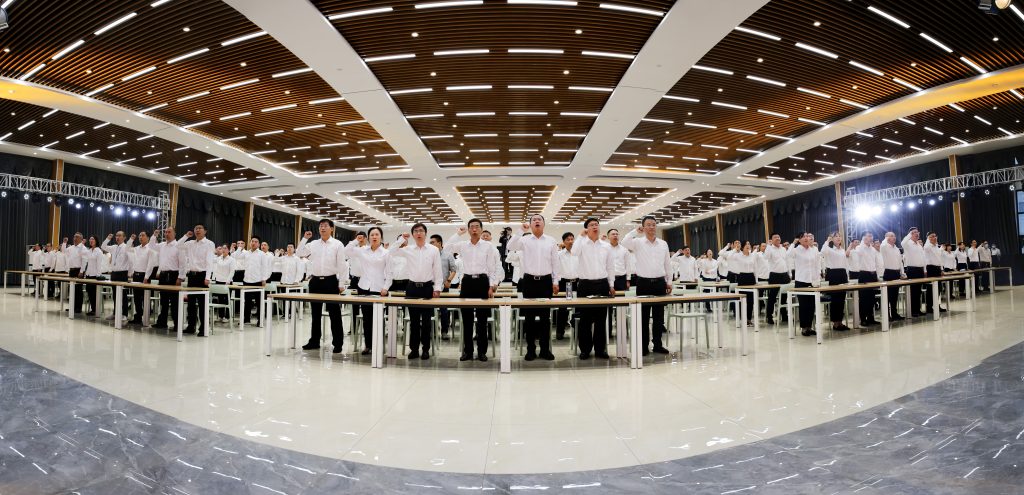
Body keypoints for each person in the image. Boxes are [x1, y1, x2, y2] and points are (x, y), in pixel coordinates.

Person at [446, 220, 503, 362]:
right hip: (467, 282)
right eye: (471, 227)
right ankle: (468, 351)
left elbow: (493, 267)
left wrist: (492, 285)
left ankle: (482, 351)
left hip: (483, 282)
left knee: (482, 320)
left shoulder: (488, 246)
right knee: (467, 320)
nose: (474, 229)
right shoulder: (463, 245)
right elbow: (447, 248)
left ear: (481, 229)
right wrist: (458, 234)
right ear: (468, 230)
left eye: (477, 227)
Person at [507, 214, 560, 361]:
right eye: (534, 220)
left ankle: (545, 350)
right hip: (529, 281)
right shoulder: (524, 240)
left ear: (544, 224)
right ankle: (530, 350)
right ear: (530, 224)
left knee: (545, 318)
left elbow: (555, 262)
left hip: (546, 282)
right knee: (529, 318)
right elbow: (510, 246)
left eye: (539, 219)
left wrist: (556, 281)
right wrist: (520, 231)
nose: (537, 221)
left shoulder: (551, 240)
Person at [388, 223, 443, 360]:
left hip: (427, 288)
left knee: (426, 322)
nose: (419, 233)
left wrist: (437, 288)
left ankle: (425, 349)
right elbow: (391, 251)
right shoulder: (407, 249)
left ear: (425, 233)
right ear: (412, 235)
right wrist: (401, 239)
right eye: (416, 231)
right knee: (414, 321)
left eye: (421, 231)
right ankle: (414, 349)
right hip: (412, 288)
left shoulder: (433, 250)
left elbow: (438, 270)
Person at [297, 219, 349, 353]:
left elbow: (342, 265)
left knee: (334, 314)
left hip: (330, 281)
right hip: (315, 281)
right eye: (320, 226)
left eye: (325, 226)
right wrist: (304, 238)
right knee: (315, 314)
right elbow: (299, 253)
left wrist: (341, 283)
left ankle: (338, 343)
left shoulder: (337, 244)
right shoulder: (313, 244)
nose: (323, 228)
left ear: (331, 229)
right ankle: (314, 341)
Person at [573, 218, 616, 360]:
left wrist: (611, 285)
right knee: (585, 319)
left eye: (596, 224)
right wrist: (580, 236)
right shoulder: (581, 243)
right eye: (591, 225)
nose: (595, 226)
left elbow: (610, 267)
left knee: (601, 319)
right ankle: (585, 349)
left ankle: (600, 349)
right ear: (587, 228)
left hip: (602, 284)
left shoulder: (606, 246)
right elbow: (574, 252)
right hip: (585, 285)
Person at [346, 226, 391, 356]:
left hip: (380, 289)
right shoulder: (362, 250)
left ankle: (378, 345)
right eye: (372, 235)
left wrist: (386, 287)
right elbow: (346, 251)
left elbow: (390, 273)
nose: (374, 237)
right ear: (368, 237)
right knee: (366, 318)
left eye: (377, 234)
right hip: (364, 287)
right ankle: (368, 345)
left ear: (381, 237)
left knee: (378, 319)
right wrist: (356, 240)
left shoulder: (386, 253)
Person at [177, 225, 215, 336]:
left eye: (200, 228)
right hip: (192, 276)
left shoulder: (209, 243)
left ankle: (203, 328)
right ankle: (191, 326)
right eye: (196, 228)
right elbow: (178, 245)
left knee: (202, 304)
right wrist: (186, 236)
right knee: (191, 303)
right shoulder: (190, 243)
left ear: (205, 231)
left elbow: (209, 261)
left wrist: (207, 277)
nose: (197, 230)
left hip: (202, 276)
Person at [232, 236, 272, 326]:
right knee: (247, 301)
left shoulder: (262, 254)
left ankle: (260, 320)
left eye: (256, 242)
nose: (253, 243)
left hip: (258, 280)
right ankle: (246, 319)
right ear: (250, 243)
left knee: (259, 302)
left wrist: (264, 279)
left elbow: (265, 267)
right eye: (252, 241)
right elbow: (235, 256)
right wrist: (239, 248)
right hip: (247, 280)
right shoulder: (246, 253)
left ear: (258, 244)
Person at [791, 233, 821, 336]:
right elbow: (788, 255)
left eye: (806, 236)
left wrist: (817, 279)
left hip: (812, 281)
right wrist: (793, 243)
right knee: (804, 305)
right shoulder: (796, 250)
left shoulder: (813, 250)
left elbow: (817, 264)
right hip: (801, 281)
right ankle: (804, 328)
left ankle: (809, 327)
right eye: (803, 237)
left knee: (811, 305)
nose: (806, 238)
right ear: (799, 240)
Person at [101, 231, 135, 320]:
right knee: (115, 295)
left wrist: (129, 273)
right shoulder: (114, 247)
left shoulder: (126, 247)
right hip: (114, 274)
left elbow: (131, 261)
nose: (117, 237)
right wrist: (108, 238)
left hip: (123, 273)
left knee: (123, 295)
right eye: (116, 236)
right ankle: (115, 313)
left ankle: (124, 314)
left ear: (124, 237)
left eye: (119, 235)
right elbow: (103, 246)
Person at [820, 233, 851, 331]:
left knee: (841, 299)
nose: (838, 238)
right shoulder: (829, 249)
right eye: (836, 236)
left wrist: (847, 276)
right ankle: (835, 323)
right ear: (832, 239)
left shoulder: (842, 250)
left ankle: (840, 322)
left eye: (839, 236)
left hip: (842, 274)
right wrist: (827, 241)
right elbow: (822, 252)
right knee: (835, 299)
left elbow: (845, 264)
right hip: (833, 274)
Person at [555, 232, 579, 340]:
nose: (570, 241)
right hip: (566, 283)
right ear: (563, 241)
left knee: (578, 307)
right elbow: (556, 270)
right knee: (563, 308)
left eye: (572, 239)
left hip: (577, 282)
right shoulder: (559, 254)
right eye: (568, 239)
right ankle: (560, 331)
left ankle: (577, 330)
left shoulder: (578, 253)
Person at [763, 234, 790, 325]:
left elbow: (786, 261)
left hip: (784, 275)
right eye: (775, 237)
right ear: (771, 240)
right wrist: (768, 246)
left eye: (778, 237)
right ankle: (769, 316)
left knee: (784, 296)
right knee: (772, 297)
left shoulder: (783, 249)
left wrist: (789, 273)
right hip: (774, 275)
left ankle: (784, 315)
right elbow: (765, 257)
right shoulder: (770, 249)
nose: (778, 238)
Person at [854, 233, 880, 326]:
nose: (870, 237)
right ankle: (863, 319)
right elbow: (859, 252)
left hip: (873, 275)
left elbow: (875, 263)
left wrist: (877, 275)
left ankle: (870, 317)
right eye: (868, 236)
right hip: (864, 274)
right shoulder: (859, 247)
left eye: (871, 236)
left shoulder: (873, 249)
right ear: (863, 237)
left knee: (872, 298)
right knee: (863, 298)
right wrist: (863, 242)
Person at [900, 228, 927, 318]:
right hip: (912, 270)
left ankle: (918, 309)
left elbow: (923, 258)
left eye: (917, 232)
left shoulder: (919, 245)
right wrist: (909, 235)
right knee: (913, 292)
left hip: (920, 270)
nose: (916, 234)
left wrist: (924, 270)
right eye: (914, 232)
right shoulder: (907, 243)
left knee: (918, 291)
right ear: (910, 234)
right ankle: (912, 311)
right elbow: (902, 243)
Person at [880, 232, 905, 321]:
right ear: (886, 238)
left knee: (894, 296)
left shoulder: (897, 249)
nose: (894, 237)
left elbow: (900, 262)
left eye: (894, 236)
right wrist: (886, 239)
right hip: (888, 273)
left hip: (896, 273)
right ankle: (887, 316)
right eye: (891, 236)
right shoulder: (884, 247)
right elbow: (883, 245)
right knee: (887, 296)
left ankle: (894, 314)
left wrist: (902, 273)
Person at [61, 233, 88, 315]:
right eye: (74, 237)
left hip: (79, 270)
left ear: (81, 239)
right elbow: (63, 251)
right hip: (72, 270)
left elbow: (84, 260)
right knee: (71, 289)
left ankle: (78, 308)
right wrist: (64, 243)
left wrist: (81, 271)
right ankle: (72, 306)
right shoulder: (71, 247)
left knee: (78, 290)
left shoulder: (83, 248)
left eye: (77, 237)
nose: (75, 238)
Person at [211, 245, 236, 322]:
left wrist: (227, 281)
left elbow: (232, 271)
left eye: (225, 248)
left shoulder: (231, 259)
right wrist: (213, 252)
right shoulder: (218, 258)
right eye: (222, 248)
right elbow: (210, 260)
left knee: (227, 300)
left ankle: (227, 317)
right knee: (220, 299)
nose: (223, 250)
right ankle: (221, 316)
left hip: (227, 282)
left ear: (228, 250)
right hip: (219, 281)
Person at [923, 232, 947, 313]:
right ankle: (929, 307)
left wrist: (941, 269)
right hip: (930, 269)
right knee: (931, 289)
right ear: (928, 238)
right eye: (932, 236)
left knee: (938, 289)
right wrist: (929, 239)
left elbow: (939, 259)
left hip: (937, 269)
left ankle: (937, 305)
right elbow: (925, 258)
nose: (934, 237)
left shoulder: (936, 246)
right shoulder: (927, 246)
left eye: (935, 236)